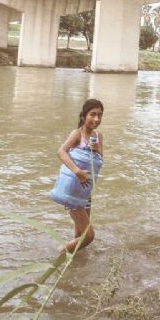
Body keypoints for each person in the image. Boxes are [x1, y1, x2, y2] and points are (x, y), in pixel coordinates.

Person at [55, 98, 104, 252]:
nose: (96, 119)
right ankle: (59, 257)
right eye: (92, 114)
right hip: (73, 191)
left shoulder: (98, 136)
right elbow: (61, 151)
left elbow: (101, 160)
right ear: (83, 116)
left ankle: (75, 262)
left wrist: (97, 149)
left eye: (100, 115)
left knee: (79, 233)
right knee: (88, 236)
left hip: (86, 192)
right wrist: (77, 171)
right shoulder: (77, 134)